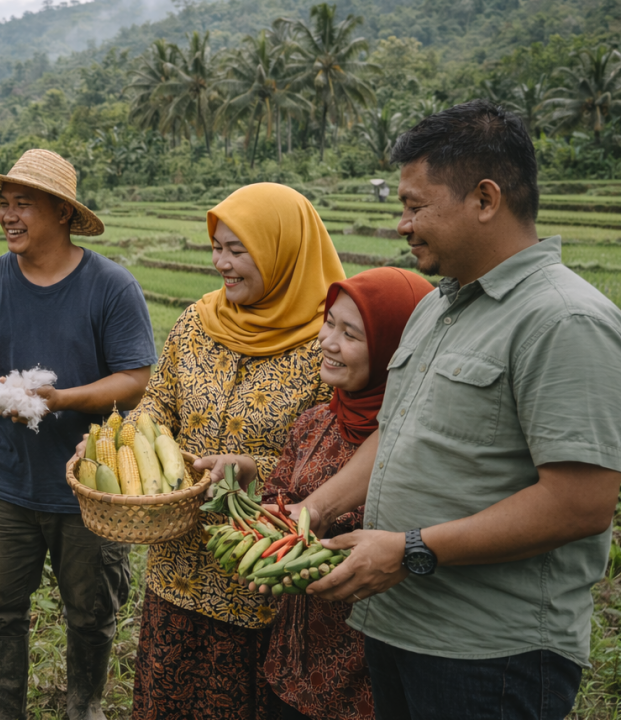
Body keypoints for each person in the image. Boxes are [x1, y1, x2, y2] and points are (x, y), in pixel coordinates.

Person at [301, 100, 621, 719]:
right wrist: (314, 509)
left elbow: (581, 503)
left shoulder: (563, 320)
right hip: (397, 626)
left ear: (484, 199)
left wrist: (411, 549)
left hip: (489, 652)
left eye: (416, 206)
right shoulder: (437, 306)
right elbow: (394, 435)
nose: (402, 224)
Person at [0, 149, 157, 720]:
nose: (9, 216)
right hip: (5, 481)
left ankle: (82, 707)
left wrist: (61, 400)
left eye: (24, 205)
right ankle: (6, 708)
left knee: (91, 609)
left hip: (90, 484)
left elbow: (135, 379)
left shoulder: (111, 287)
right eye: (4, 205)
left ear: (62, 213)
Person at [129, 182, 346, 720]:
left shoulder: (331, 341)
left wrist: (253, 470)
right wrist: (132, 436)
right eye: (216, 247)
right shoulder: (197, 321)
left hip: (263, 577)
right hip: (176, 560)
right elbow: (159, 400)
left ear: (282, 249)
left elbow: (336, 456)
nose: (220, 263)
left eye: (237, 249)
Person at [209, 268, 434, 720]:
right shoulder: (315, 421)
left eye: (351, 333)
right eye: (329, 322)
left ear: (398, 351)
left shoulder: (425, 447)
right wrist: (247, 479)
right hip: (293, 663)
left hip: (374, 673)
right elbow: (280, 507)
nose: (326, 342)